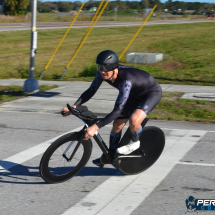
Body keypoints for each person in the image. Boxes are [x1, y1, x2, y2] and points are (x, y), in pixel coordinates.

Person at [62, 50, 162, 167]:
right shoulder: (102, 73)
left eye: (105, 68)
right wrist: (74, 106)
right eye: (100, 67)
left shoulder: (126, 81)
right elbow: (91, 90)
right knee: (117, 123)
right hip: (133, 94)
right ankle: (111, 155)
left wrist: (95, 127)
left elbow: (117, 110)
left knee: (134, 120)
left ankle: (135, 143)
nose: (102, 71)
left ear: (114, 68)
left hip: (150, 94)